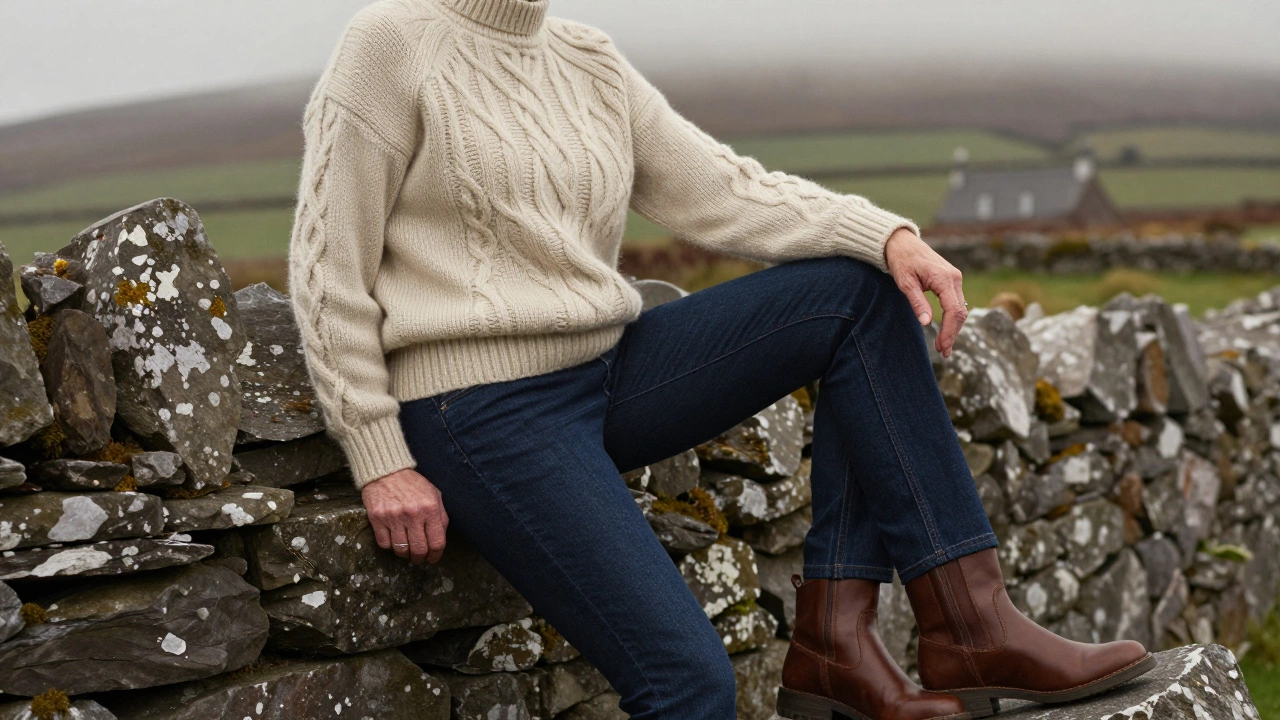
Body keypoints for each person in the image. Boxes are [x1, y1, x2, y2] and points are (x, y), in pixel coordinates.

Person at [286, 0, 1155, 718]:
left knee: (857, 295)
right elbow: (328, 267)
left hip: (606, 371)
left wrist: (885, 235)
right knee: (690, 684)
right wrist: (379, 454)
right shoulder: (390, 44)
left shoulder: (586, 57)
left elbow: (722, 189)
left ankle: (929, 634)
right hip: (482, 410)